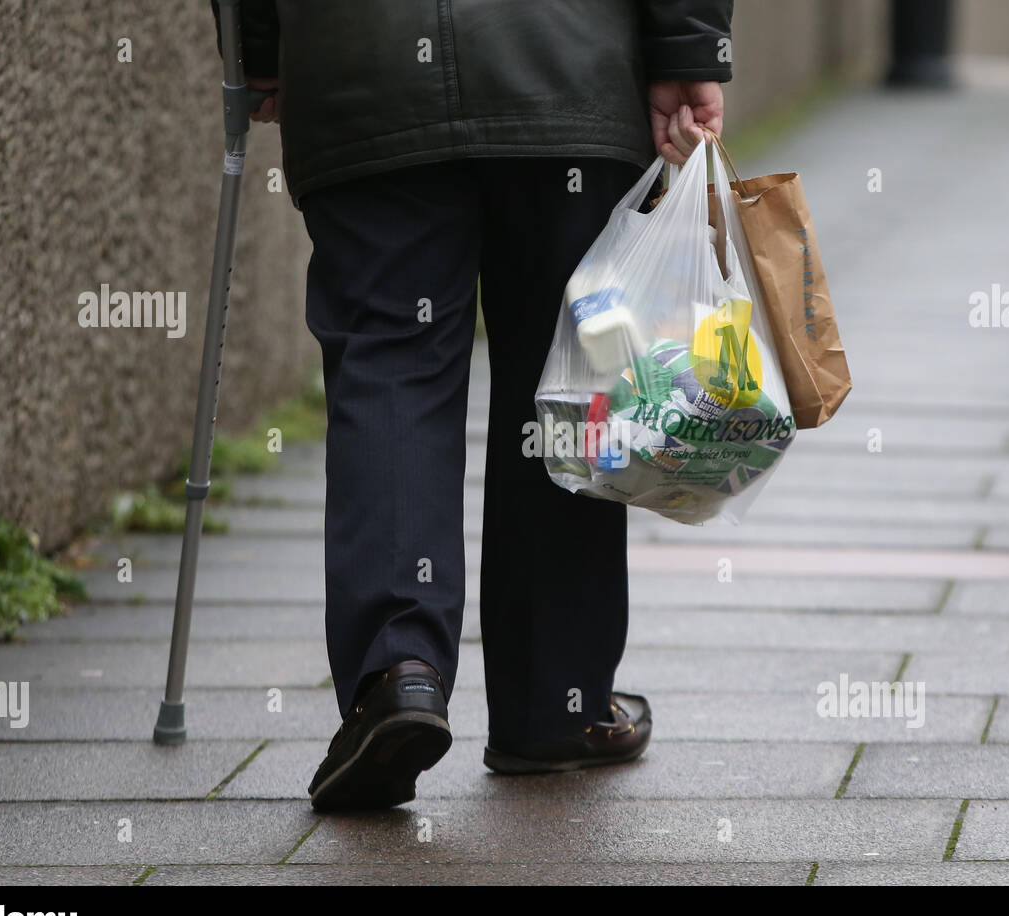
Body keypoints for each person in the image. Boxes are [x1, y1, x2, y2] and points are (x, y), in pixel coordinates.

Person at [212, 0, 734, 812]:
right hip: (566, 64)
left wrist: (258, 41)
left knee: (392, 356)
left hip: (363, 63)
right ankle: (555, 701)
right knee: (564, 376)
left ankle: (399, 673)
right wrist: (689, 44)